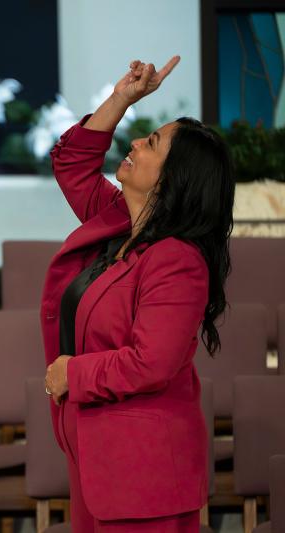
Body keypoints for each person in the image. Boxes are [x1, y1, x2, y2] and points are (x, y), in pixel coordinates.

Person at [42, 56, 234, 532]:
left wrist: (72, 372)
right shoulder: (118, 224)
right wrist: (123, 98)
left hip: (141, 477)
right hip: (98, 463)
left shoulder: (177, 260)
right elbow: (71, 162)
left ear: (173, 179)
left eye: (151, 144)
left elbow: (152, 362)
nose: (134, 143)